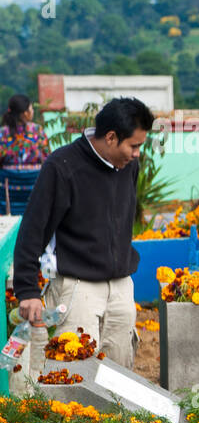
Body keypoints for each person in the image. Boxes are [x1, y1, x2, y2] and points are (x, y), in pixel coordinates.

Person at [12, 97, 153, 372]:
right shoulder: (62, 166)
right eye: (133, 145)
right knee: (76, 373)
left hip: (121, 285)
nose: (137, 153)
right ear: (111, 137)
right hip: (77, 286)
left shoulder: (129, 165)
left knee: (121, 374)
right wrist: (27, 290)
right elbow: (33, 229)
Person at [0, 94, 50, 168]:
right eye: (31, 109)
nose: (33, 111)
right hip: (35, 177)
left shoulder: (2, 132)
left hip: (8, 178)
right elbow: (47, 156)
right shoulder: (37, 130)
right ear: (25, 113)